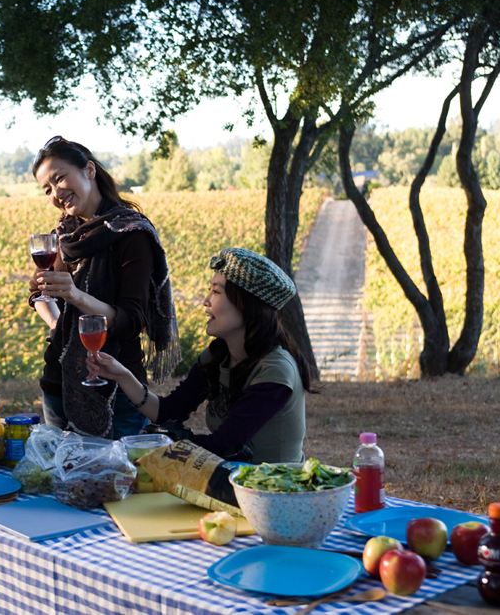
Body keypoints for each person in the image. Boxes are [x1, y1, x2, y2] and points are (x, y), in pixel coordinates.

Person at [87, 247, 315, 463]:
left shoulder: (275, 370)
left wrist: (157, 446)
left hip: (273, 491)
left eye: (216, 292)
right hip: (231, 479)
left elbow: (223, 444)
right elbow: (166, 412)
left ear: (247, 305)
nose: (205, 301)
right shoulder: (217, 356)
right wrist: (122, 376)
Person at [29, 135, 181, 439]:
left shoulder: (131, 234)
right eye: (47, 189)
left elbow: (130, 320)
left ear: (89, 170)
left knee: (117, 482)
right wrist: (59, 322)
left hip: (118, 390)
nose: (56, 193)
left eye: (60, 179)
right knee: (61, 480)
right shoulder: (65, 238)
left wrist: (74, 296)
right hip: (58, 384)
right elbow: (38, 294)